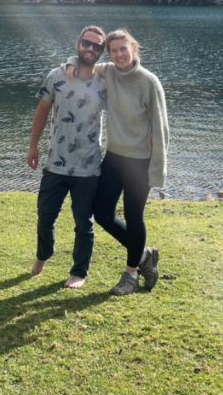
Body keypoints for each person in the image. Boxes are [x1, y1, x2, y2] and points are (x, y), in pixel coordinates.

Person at [67, 28, 168, 296]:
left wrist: (157, 171)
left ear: (134, 48)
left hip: (139, 163)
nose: (119, 54)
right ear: (109, 54)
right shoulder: (109, 72)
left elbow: (161, 129)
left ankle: (131, 275)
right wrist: (71, 61)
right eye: (114, 51)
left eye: (124, 48)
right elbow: (86, 62)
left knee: (134, 217)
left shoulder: (149, 82)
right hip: (113, 158)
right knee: (102, 214)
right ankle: (145, 255)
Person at [27, 26, 108, 289]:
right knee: (45, 215)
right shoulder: (57, 76)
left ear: (101, 52)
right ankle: (43, 256)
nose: (91, 49)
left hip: (89, 165)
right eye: (87, 43)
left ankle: (79, 272)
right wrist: (33, 146)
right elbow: (41, 112)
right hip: (56, 162)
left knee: (83, 222)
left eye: (97, 46)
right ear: (79, 44)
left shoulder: (106, 81)